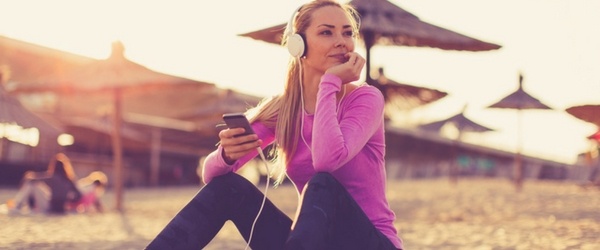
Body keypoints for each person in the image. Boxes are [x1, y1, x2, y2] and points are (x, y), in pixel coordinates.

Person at [146, 1, 402, 249]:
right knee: (229, 188)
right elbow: (212, 176)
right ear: (297, 45)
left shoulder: (365, 99)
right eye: (326, 32)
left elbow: (326, 161)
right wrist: (225, 154)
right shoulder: (285, 111)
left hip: (371, 243)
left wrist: (329, 83)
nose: (341, 42)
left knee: (321, 183)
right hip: (312, 244)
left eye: (347, 33)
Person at [4, 153, 82, 215]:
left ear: (54, 166)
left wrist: (28, 176)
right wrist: (68, 199)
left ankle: (17, 205)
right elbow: (79, 195)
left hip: (50, 208)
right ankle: (18, 204)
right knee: (34, 184)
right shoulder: (69, 180)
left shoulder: (52, 177)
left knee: (32, 184)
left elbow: (32, 179)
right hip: (62, 208)